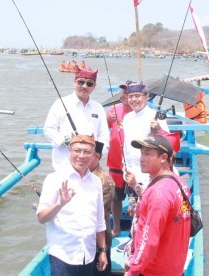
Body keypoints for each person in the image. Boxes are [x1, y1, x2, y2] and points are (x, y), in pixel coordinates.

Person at [37, 134, 108, 276]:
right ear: (70, 152)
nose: (81, 156)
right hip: (63, 256)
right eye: (77, 151)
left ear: (94, 155)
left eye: (87, 152)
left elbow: (100, 221)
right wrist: (59, 204)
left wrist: (103, 251)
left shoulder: (95, 181)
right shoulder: (54, 179)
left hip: (88, 255)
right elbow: (41, 217)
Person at [123, 134, 191, 276]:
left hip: (153, 270)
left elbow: (149, 240)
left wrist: (133, 270)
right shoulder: (179, 183)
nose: (141, 158)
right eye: (141, 153)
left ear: (163, 158)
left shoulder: (159, 193)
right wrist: (136, 188)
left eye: (147, 154)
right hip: (174, 267)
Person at [44, 67, 110, 171]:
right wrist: (66, 141)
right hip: (64, 165)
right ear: (74, 82)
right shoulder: (60, 103)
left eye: (89, 83)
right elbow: (49, 129)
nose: (84, 86)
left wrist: (98, 154)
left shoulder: (98, 107)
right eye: (81, 82)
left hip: (90, 167)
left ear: (94, 86)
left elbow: (104, 135)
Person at [122, 82, 169, 188]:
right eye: (130, 96)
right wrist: (124, 168)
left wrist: (159, 129)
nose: (133, 99)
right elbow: (126, 146)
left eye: (137, 96)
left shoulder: (155, 116)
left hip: (151, 173)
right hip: (132, 173)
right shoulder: (127, 118)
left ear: (147, 97)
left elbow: (169, 144)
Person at [106, 81, 133, 237]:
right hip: (115, 162)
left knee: (135, 199)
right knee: (115, 198)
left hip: (134, 165)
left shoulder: (140, 113)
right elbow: (100, 128)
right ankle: (116, 227)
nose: (124, 96)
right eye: (123, 93)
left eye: (128, 93)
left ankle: (134, 231)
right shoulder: (115, 109)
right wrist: (106, 118)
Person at [89, 141, 114, 276]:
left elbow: (98, 214)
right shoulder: (83, 176)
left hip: (100, 241)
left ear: (97, 157)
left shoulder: (104, 180)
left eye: (88, 153)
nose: (83, 157)